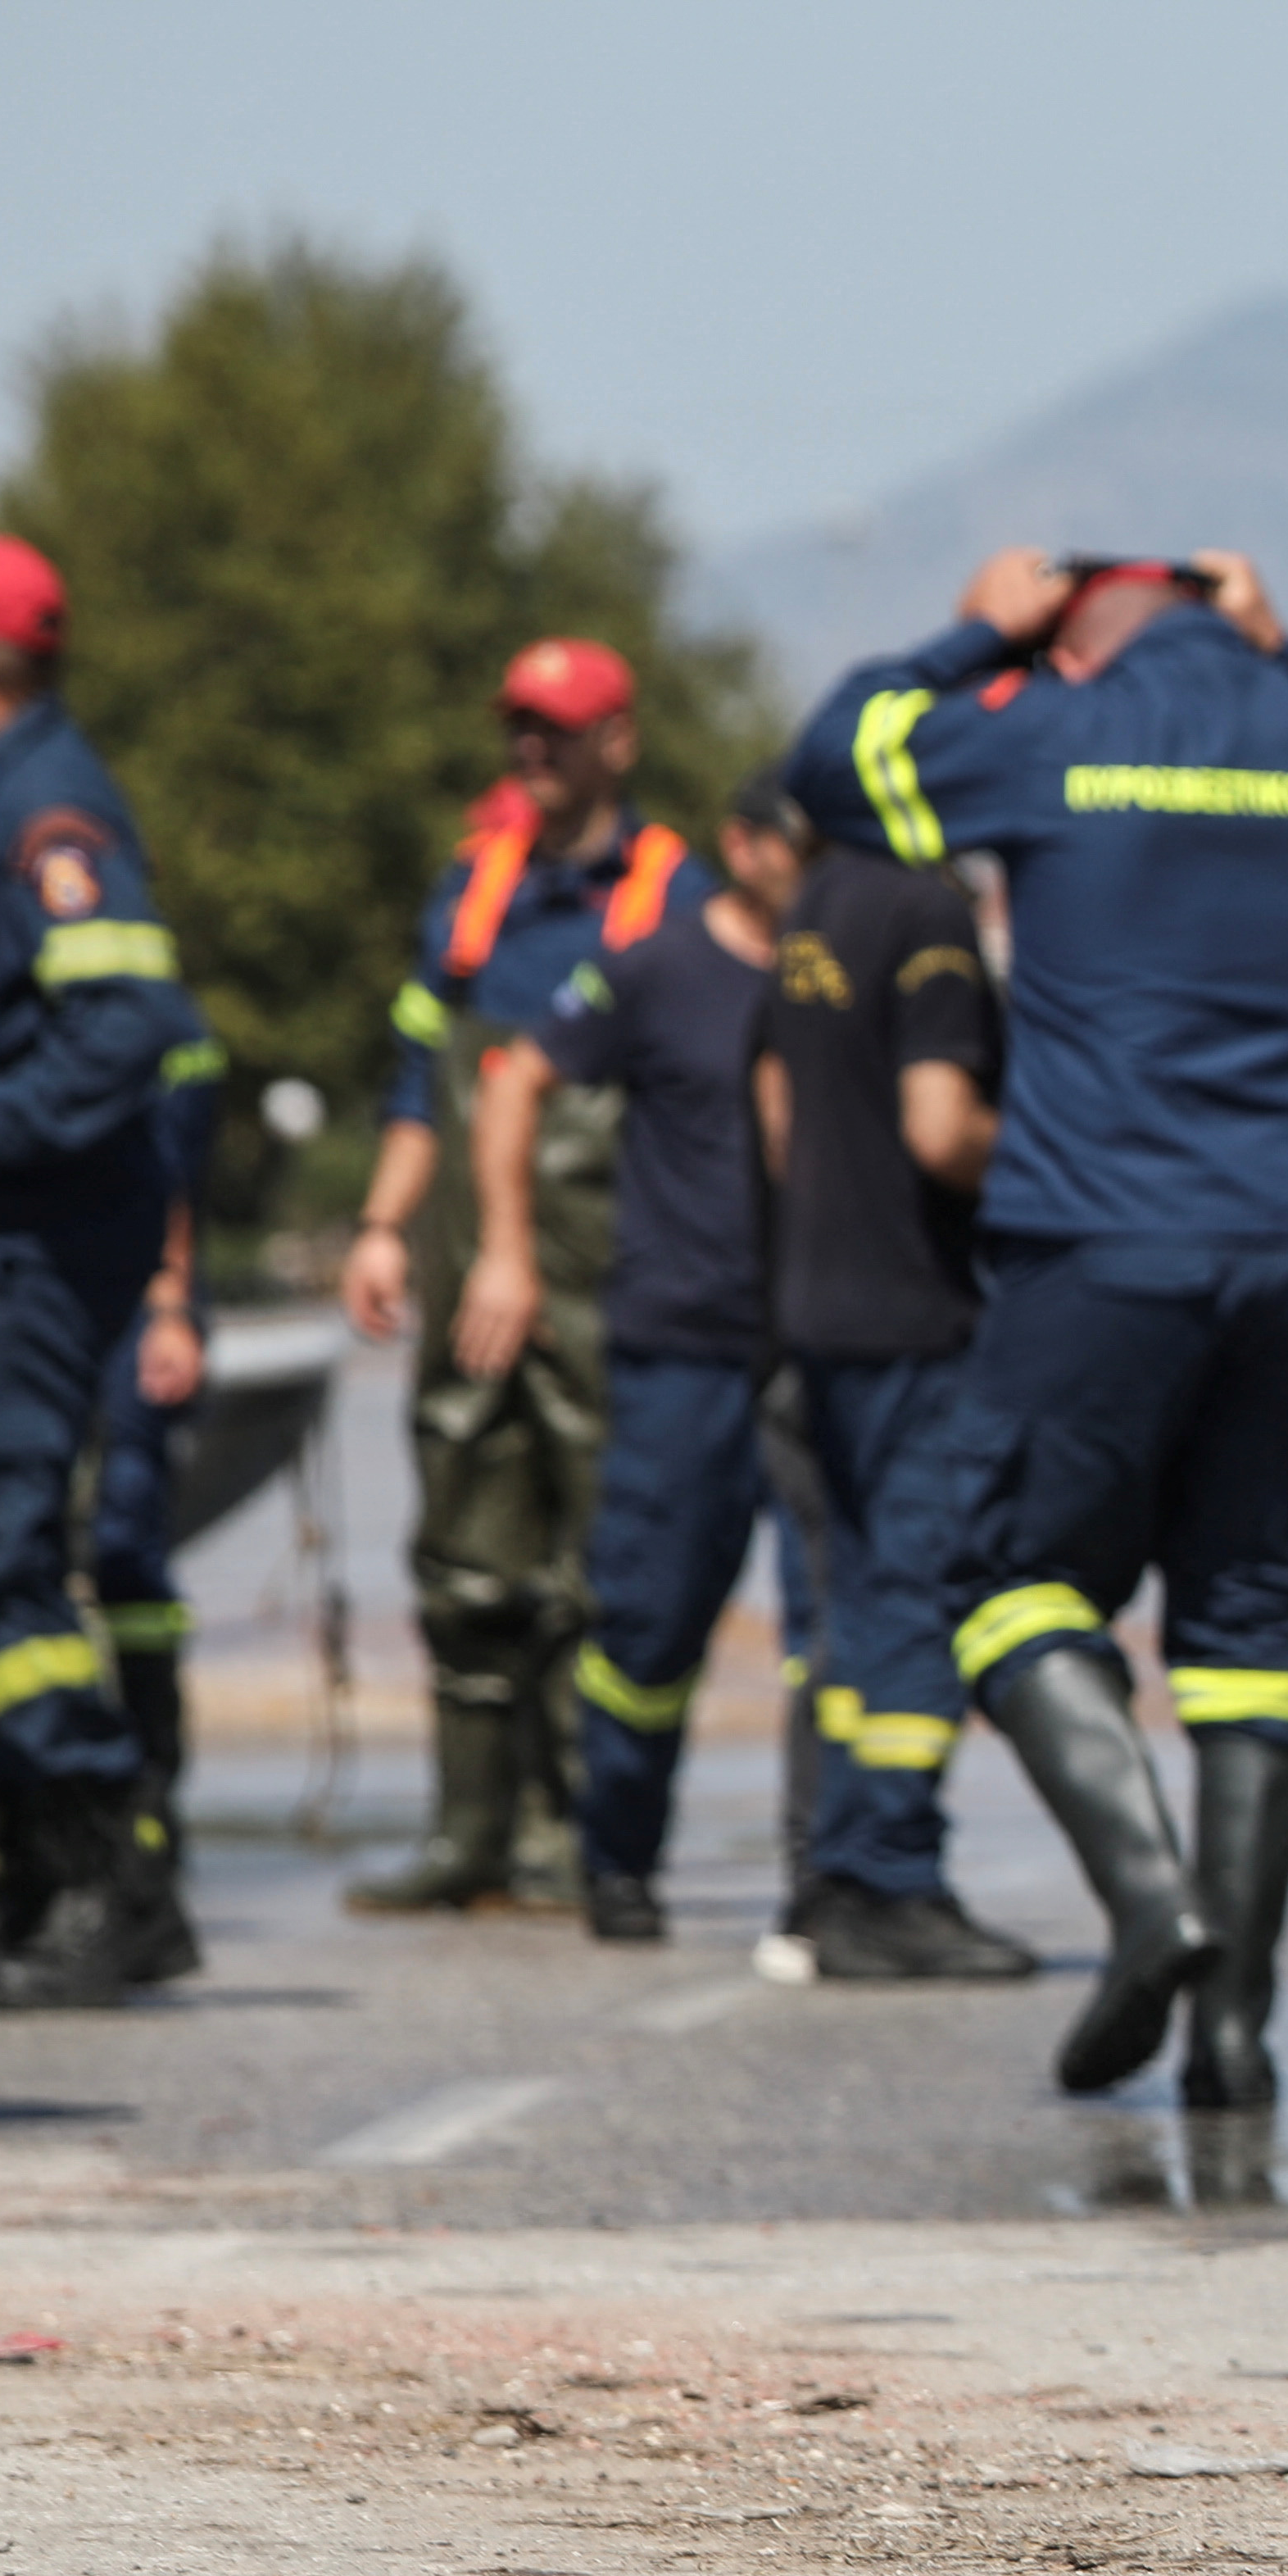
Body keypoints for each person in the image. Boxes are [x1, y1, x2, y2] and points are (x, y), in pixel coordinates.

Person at [788, 549, 1288, 2102]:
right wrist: (1286, 649)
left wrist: (979, 628)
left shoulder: (1040, 732)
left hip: (1097, 1246)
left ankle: (1153, 1906)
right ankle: (1232, 2028)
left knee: (1007, 1576)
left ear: (1072, 641)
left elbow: (831, 760)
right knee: (1256, 1633)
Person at [337, 643, 694, 1918]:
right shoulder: (472, 890)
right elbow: (415, 1081)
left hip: (607, 1260)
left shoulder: (670, 892)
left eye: (558, 728)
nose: (531, 750)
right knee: (465, 1529)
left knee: (598, 1538)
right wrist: (382, 1225)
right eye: (518, 729)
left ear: (618, 741)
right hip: (465, 1251)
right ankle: (471, 1832)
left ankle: (575, 1830)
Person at [469, 770, 820, 1942]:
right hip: (685, 1346)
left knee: (840, 1633)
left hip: (827, 1346)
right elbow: (517, 1080)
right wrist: (507, 1254)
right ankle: (617, 1858)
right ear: (745, 846)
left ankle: (841, 1878)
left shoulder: (839, 972)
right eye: (795, 851)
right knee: (651, 1622)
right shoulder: (657, 970)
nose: (812, 875)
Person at [0, 532, 217, 2010]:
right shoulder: (7, 797)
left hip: (39, 1235)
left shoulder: (52, 811)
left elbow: (129, 1025)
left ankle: (115, 1873)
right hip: (15, 1222)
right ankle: (54, 1875)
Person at [752, 786, 1032, 1980]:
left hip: (816, 1297)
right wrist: (1063, 1167)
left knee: (855, 1598)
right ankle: (895, 1881)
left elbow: (774, 1096)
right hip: (917, 1308)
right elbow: (940, 1126)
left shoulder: (815, 904)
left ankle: (837, 1870)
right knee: (919, 1594)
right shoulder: (926, 913)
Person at [71, 1021, 229, 1987]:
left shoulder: (156, 1022)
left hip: (128, 1289)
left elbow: (168, 1171)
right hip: (30, 1282)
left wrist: (169, 1306)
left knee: (126, 1541)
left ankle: (149, 1805)